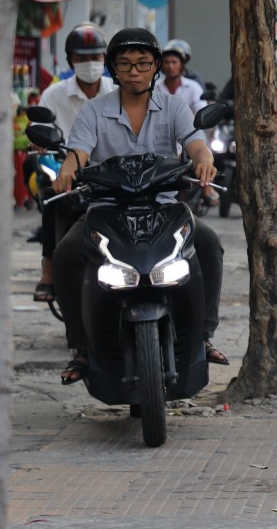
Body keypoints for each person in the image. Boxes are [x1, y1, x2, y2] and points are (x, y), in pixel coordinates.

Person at [51, 28, 227, 386]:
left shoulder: (176, 107)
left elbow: (196, 145)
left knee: (208, 244)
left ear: (156, 68)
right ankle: (82, 348)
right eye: (125, 64)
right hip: (106, 209)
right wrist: (68, 170)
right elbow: (78, 152)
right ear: (114, 69)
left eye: (143, 64)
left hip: (164, 208)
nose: (134, 71)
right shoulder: (93, 111)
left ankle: (203, 336)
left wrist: (205, 161)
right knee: (66, 254)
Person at [32, 23, 115, 303]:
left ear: (105, 58)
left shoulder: (117, 92)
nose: (90, 63)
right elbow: (39, 130)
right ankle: (49, 270)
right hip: (65, 170)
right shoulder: (54, 94)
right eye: (82, 58)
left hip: (112, 172)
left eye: (96, 57)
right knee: (51, 199)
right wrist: (42, 145)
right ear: (71, 61)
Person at [159, 39, 206, 114]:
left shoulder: (194, 86)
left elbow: (202, 113)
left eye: (174, 62)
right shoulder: (154, 87)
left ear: (182, 65)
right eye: (167, 62)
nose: (170, 67)